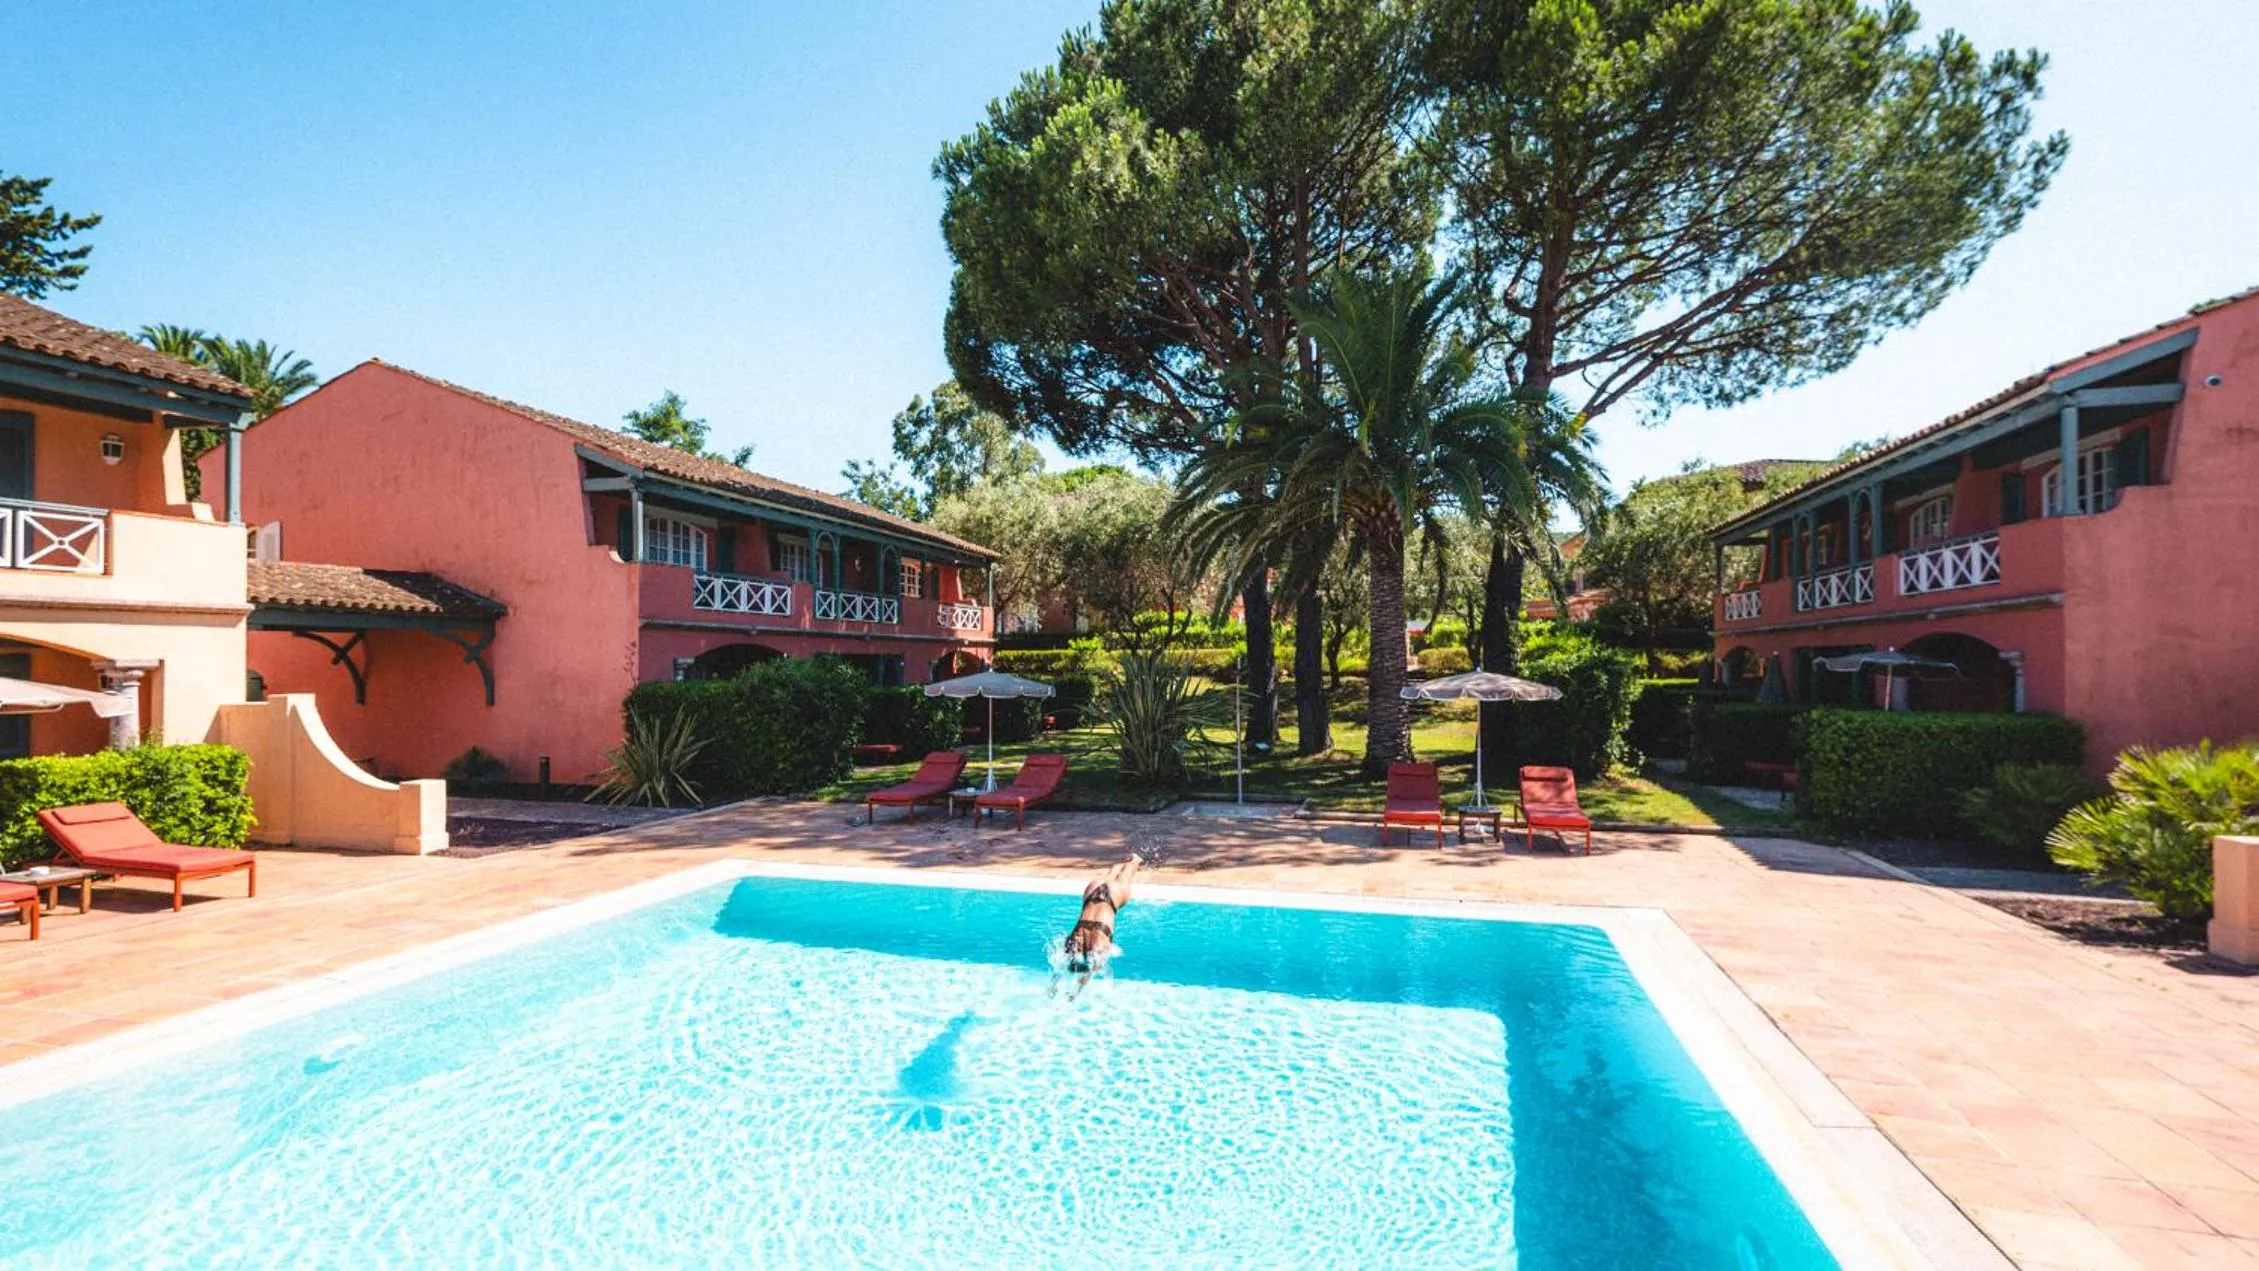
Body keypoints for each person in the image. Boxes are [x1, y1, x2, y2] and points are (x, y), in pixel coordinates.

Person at [1054, 855, 1140, 998]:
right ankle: (1122, 860)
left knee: (1126, 875)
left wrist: (1075, 992)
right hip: (1092, 892)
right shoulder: (1074, 943)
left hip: (1112, 898)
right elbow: (1059, 965)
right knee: (1110, 876)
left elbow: (1093, 970)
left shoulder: (1099, 948)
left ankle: (1136, 860)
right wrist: (1053, 987)